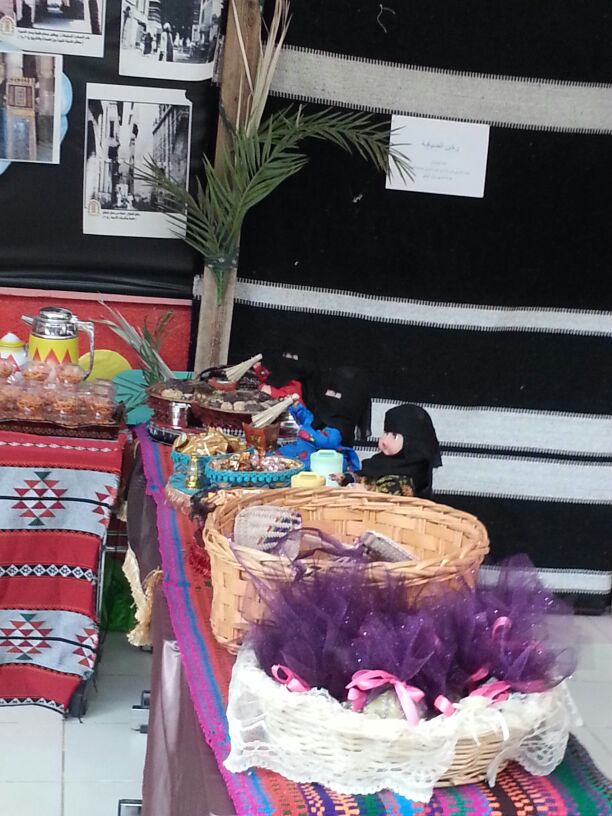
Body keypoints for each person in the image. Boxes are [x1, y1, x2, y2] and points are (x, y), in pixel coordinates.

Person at [333, 403, 442, 498]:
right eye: (385, 433)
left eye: (394, 435)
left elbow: (386, 498)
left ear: (411, 442)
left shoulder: (409, 474)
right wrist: (349, 478)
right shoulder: (380, 462)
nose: (384, 440)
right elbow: (367, 476)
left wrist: (363, 492)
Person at [279, 367, 370, 471]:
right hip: (302, 452)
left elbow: (323, 441)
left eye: (336, 394)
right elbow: (308, 419)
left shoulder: (340, 430)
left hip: (323, 463)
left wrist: (305, 431)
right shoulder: (321, 417)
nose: (329, 396)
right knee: (274, 456)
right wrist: (296, 407)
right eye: (329, 391)